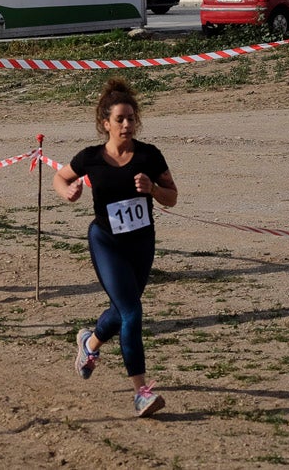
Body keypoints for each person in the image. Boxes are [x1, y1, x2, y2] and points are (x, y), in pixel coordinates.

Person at [53, 77, 178, 418]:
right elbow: (60, 177)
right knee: (132, 312)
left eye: (131, 118)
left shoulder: (150, 155)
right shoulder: (91, 158)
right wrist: (68, 192)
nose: (126, 125)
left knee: (122, 310)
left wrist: (153, 189)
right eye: (119, 119)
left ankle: (89, 343)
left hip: (142, 243)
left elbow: (172, 197)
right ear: (105, 123)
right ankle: (141, 393)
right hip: (106, 242)